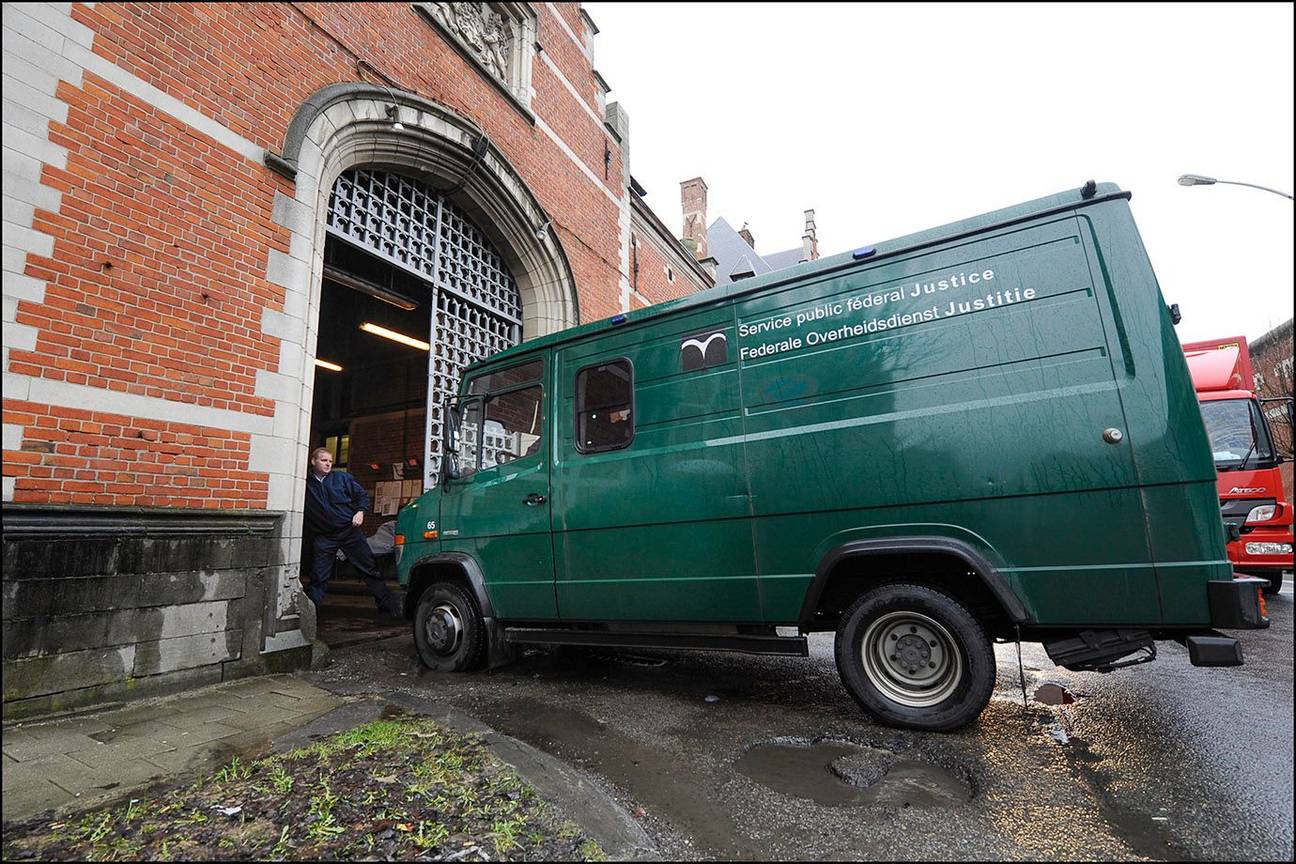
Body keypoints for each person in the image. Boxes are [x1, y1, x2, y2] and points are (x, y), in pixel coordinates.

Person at [303, 447, 402, 618]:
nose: (328, 464)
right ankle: (311, 616)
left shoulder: (342, 478)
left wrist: (360, 512)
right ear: (313, 461)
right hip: (324, 536)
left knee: (369, 569)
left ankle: (387, 609)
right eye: (324, 460)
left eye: (330, 461)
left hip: (349, 532)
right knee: (318, 576)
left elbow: (362, 495)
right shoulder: (304, 483)